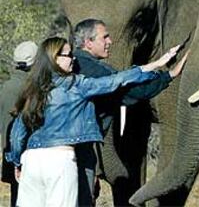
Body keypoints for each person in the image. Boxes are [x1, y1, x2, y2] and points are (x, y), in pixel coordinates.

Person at [5, 36, 186, 207]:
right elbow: (117, 80)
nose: (73, 60)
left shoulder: (33, 88)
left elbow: (18, 132)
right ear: (55, 59)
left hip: (31, 160)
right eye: (68, 55)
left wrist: (17, 162)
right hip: (60, 160)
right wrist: (160, 66)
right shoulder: (76, 85)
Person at [72, 18, 184, 206]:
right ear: (88, 42)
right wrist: (168, 75)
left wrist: (158, 64)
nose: (110, 41)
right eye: (104, 37)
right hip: (74, 151)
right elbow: (134, 90)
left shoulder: (76, 64)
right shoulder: (93, 69)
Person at [0, 41, 38, 207]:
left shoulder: (6, 87)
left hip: (9, 149)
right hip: (28, 153)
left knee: (17, 196)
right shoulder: (32, 88)